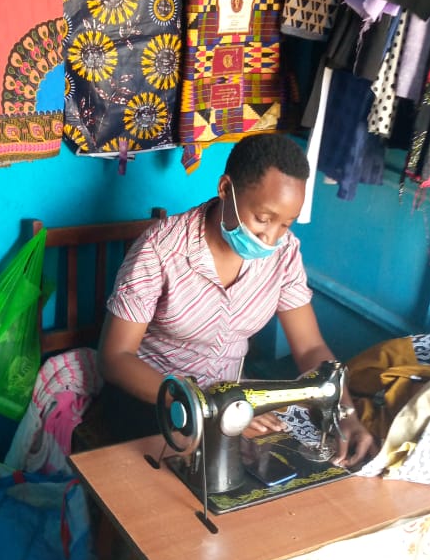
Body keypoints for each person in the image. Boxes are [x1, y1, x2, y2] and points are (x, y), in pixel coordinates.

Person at [97, 132, 375, 468]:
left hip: (231, 403)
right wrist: (208, 407)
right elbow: (115, 357)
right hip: (153, 400)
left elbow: (310, 349)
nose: (270, 238)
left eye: (284, 225)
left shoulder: (284, 254)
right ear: (226, 188)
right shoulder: (160, 250)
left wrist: (346, 414)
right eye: (263, 219)